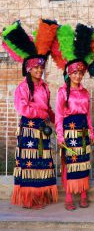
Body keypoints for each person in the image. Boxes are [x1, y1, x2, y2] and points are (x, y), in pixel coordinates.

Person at [2, 19, 59, 209]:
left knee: (42, 161)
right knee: (29, 162)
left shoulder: (44, 87)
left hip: (42, 129)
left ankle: (40, 194)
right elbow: (23, 108)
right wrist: (41, 112)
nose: (39, 70)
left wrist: (55, 119)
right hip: (29, 129)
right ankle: (28, 198)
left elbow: (48, 109)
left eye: (41, 67)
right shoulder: (23, 87)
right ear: (28, 68)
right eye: (35, 67)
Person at [53, 24, 94, 211]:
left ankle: (83, 194)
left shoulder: (86, 92)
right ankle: (70, 196)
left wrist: (90, 130)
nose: (78, 76)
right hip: (69, 131)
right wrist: (60, 134)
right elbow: (58, 114)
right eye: (75, 73)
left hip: (82, 131)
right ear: (69, 74)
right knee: (70, 164)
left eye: (81, 73)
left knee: (83, 162)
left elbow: (87, 113)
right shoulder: (63, 91)